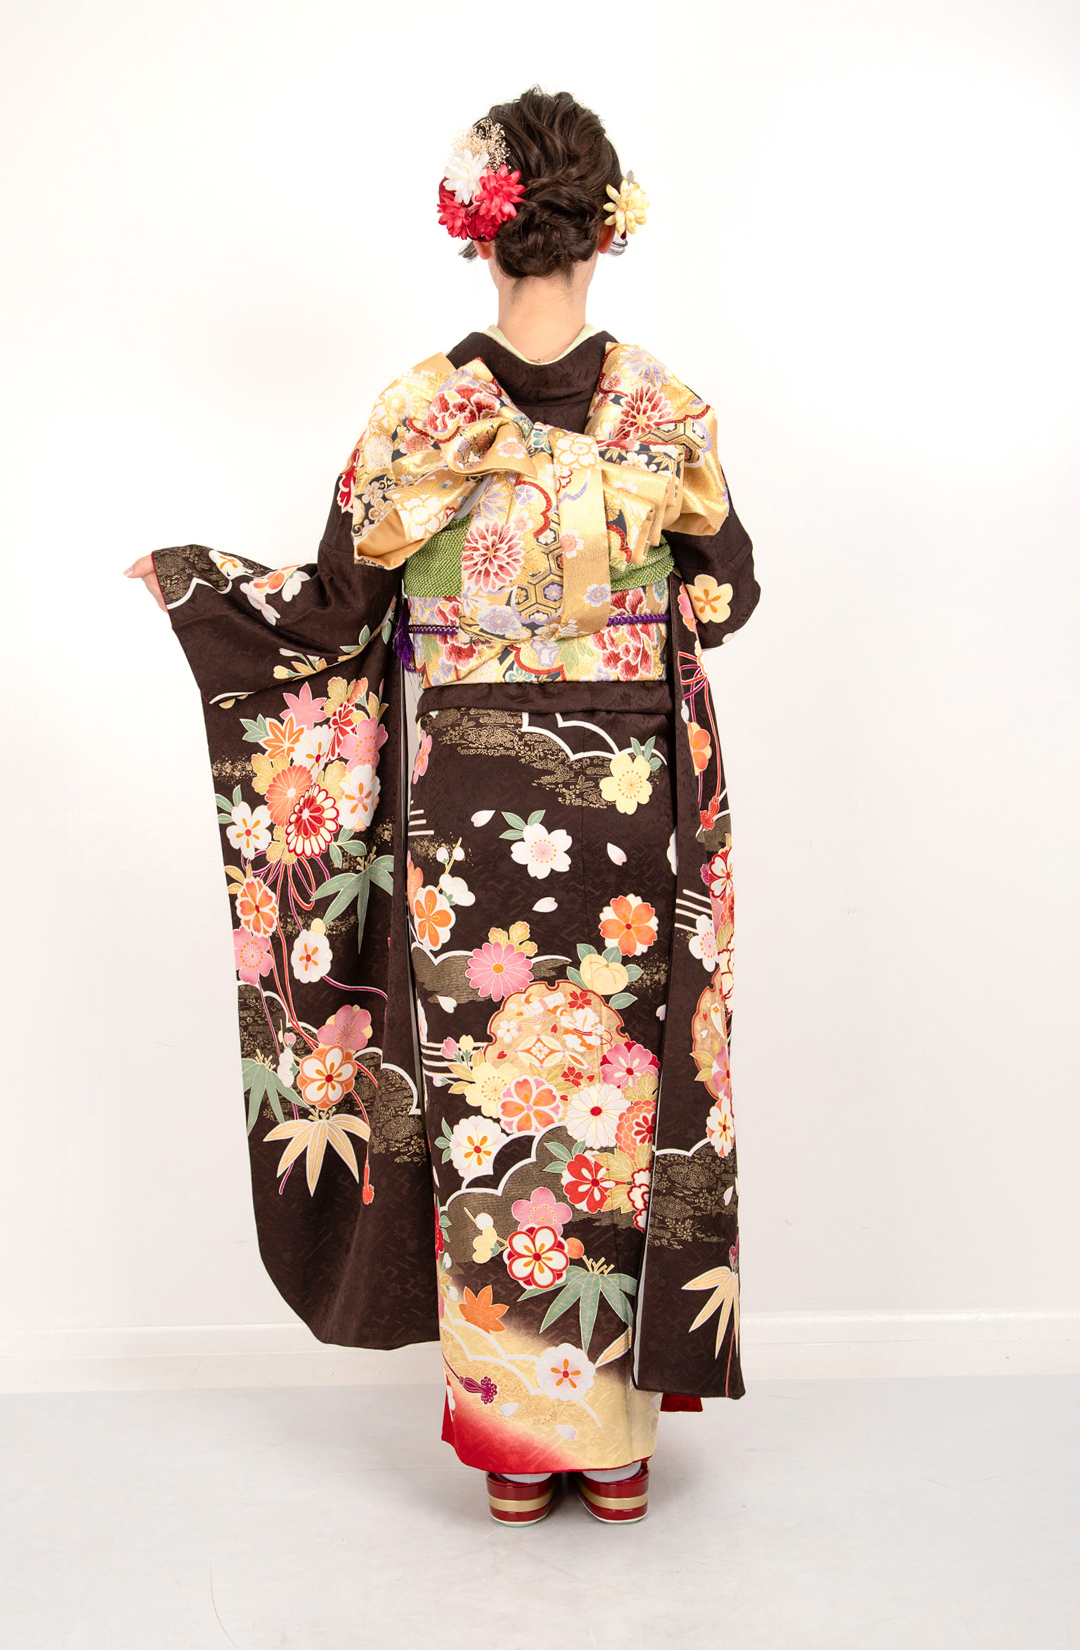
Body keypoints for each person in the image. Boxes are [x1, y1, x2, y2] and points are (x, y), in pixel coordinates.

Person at [126, 86, 759, 1527]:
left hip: (468, 818)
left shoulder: (421, 411)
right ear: (607, 230)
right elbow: (727, 597)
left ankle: (516, 1449)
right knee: (612, 1093)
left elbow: (335, 610)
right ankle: (614, 1449)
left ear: (481, 238)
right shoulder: (664, 411)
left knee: (496, 1101)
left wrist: (197, 588)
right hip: (628, 803)